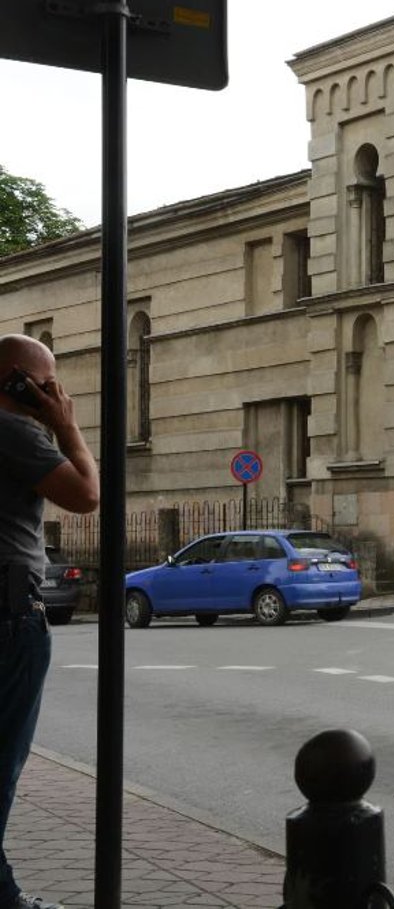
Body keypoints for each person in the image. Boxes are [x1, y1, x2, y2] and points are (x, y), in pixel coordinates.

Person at [1, 334, 100, 909]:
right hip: (10, 615)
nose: (56, 394)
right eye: (48, 384)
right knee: (2, 762)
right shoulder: (14, 431)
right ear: (18, 382)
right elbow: (86, 495)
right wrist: (66, 427)